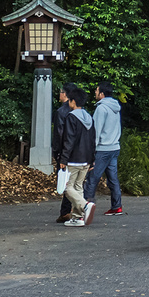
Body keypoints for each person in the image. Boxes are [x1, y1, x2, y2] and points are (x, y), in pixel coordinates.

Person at [57, 84, 97, 227]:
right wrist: (92, 160)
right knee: (78, 187)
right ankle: (77, 218)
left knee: (67, 188)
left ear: (73, 101)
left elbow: (69, 140)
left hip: (74, 159)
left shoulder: (71, 117)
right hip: (86, 159)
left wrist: (63, 158)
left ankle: (84, 205)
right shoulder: (89, 118)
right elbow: (93, 140)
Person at [85, 82, 124, 216]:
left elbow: (95, 131)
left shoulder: (101, 109)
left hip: (102, 149)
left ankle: (87, 208)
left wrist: (91, 150)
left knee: (92, 178)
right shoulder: (116, 108)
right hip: (114, 147)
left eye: (96, 91)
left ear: (102, 94)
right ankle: (116, 206)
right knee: (113, 179)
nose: (95, 93)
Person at [52, 84, 77, 223]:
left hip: (64, 152)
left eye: (61, 92)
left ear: (66, 95)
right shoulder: (81, 112)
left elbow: (59, 135)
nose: (59, 94)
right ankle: (67, 210)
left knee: (66, 182)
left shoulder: (61, 112)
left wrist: (57, 153)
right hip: (78, 152)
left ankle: (69, 210)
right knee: (75, 182)